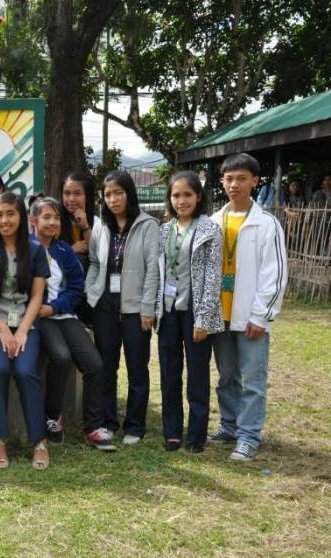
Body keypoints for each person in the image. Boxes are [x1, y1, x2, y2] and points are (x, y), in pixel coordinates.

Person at [210, 153, 287, 461]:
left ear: (255, 181)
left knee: (253, 380)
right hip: (220, 314)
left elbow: (275, 274)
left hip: (249, 316)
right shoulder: (214, 222)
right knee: (227, 375)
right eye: (229, 179)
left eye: (241, 178)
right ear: (221, 182)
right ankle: (229, 426)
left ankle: (249, 436)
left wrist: (261, 314)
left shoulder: (266, 224)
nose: (234, 184)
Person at [29, 197, 114, 452]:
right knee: (61, 357)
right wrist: (39, 309)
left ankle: (93, 428)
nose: (53, 222)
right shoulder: (25, 249)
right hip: (37, 318)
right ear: (33, 220)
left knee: (95, 364)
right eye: (46, 217)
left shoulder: (64, 250)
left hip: (62, 315)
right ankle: (53, 417)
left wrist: (55, 307)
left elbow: (77, 288)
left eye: (56, 218)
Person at [85, 170, 159, 446]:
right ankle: (108, 422)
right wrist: (90, 289)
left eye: (118, 193)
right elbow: (94, 262)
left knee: (137, 368)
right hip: (105, 307)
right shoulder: (101, 227)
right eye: (108, 195)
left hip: (135, 310)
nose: (113, 199)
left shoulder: (147, 225)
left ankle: (135, 425)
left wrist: (148, 308)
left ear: (129, 193)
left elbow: (153, 270)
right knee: (106, 368)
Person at [0, 192, 50, 470]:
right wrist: (3, 331)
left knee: (25, 371)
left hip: (26, 324)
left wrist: (21, 332)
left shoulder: (34, 251)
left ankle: (39, 442)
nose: (5, 220)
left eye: (10, 213)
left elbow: (37, 297)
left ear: (21, 217)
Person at [155, 172, 224, 453]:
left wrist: (204, 318)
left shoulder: (209, 229)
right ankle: (172, 432)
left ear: (198, 197)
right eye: (176, 195)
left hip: (196, 311)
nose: (181, 201)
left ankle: (196, 435)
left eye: (187, 195)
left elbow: (212, 276)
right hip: (169, 311)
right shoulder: (164, 231)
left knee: (197, 375)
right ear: (169, 199)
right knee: (169, 372)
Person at [59, 172, 101, 325]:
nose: (71, 199)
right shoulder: (54, 220)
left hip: (90, 293)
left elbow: (96, 256)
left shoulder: (96, 223)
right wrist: (71, 250)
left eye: (77, 193)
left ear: (87, 196)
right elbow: (46, 255)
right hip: (62, 292)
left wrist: (85, 226)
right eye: (67, 193)